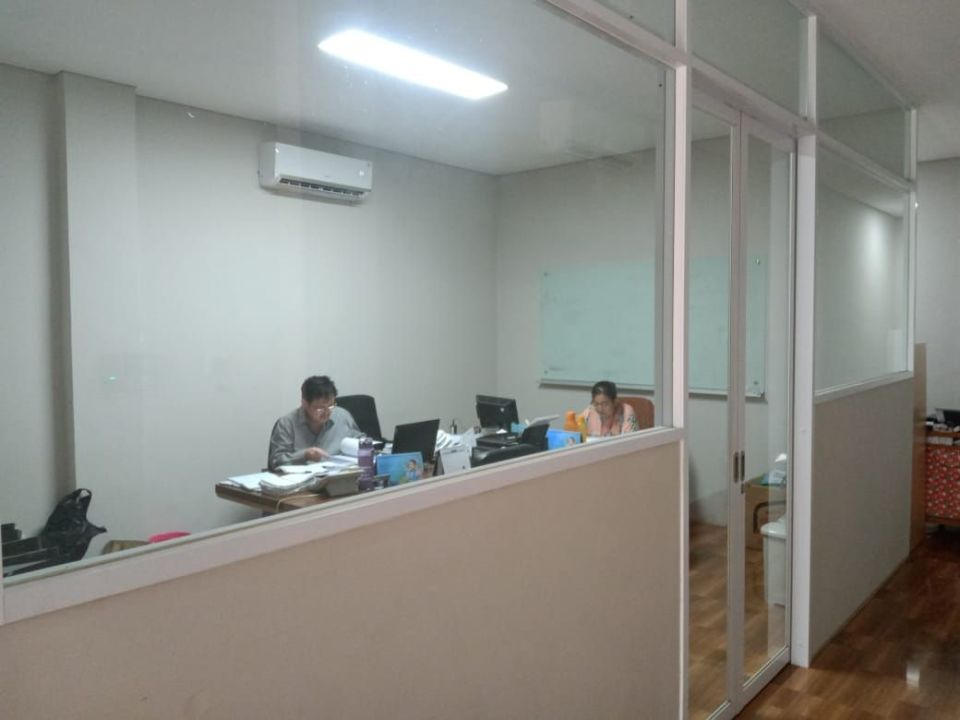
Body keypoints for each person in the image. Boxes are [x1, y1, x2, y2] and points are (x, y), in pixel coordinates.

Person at [267, 375, 361, 470]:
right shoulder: (287, 424)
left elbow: (361, 442)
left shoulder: (342, 416)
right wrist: (305, 455)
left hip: (338, 475)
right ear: (304, 404)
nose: (327, 412)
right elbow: (276, 461)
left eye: (331, 406)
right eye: (320, 408)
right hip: (301, 477)